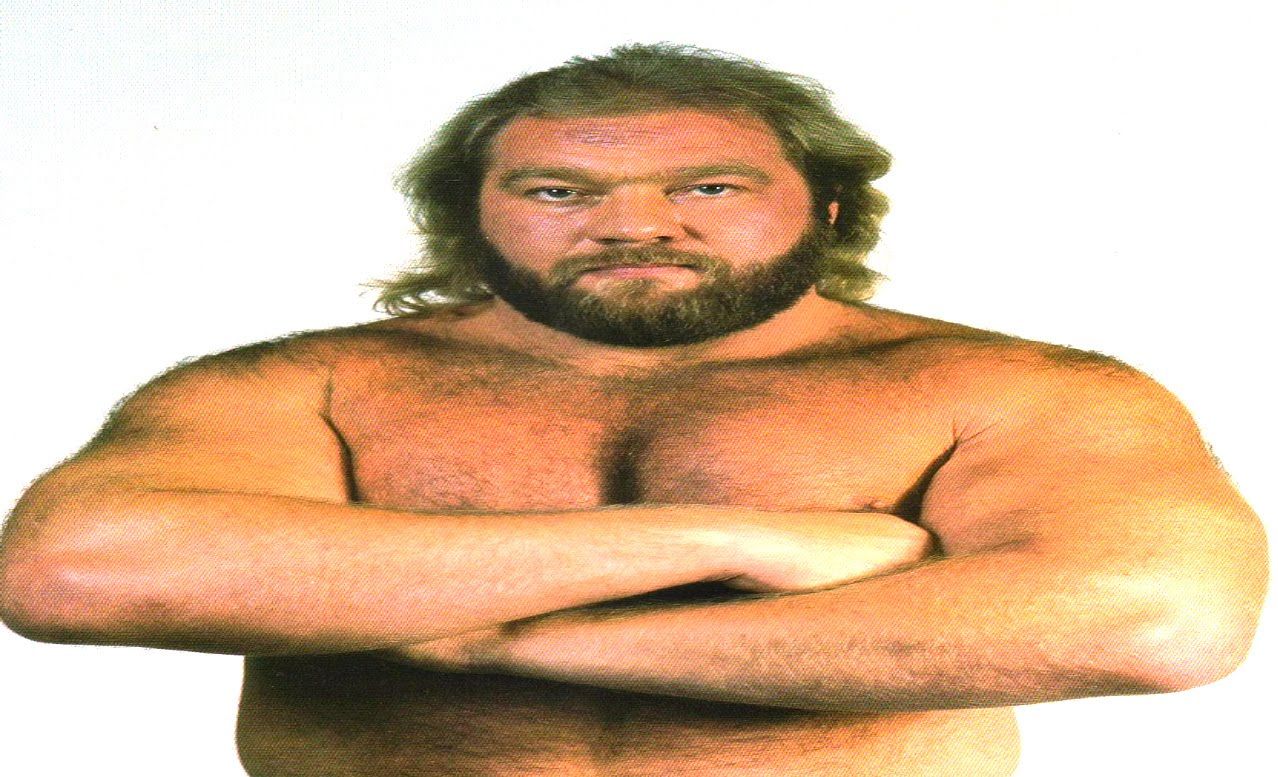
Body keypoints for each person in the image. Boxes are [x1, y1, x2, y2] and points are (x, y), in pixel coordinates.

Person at [0, 44, 1266, 777]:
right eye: (558, 192)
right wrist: (737, 541)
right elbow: (79, 572)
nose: (633, 224)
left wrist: (488, 639)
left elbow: (1153, 621)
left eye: (709, 186)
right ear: (471, 214)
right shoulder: (307, 383)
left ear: (824, 206)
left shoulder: (1011, 388)